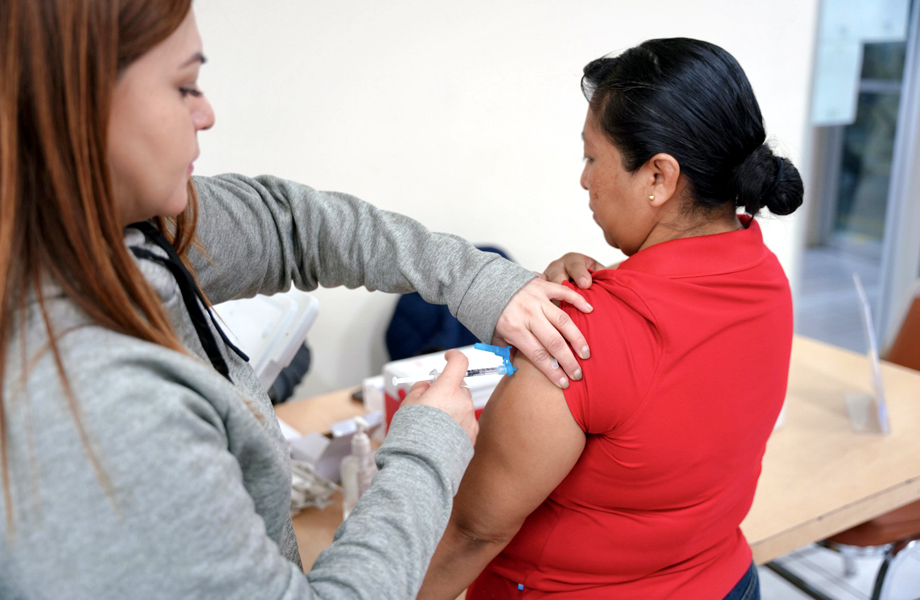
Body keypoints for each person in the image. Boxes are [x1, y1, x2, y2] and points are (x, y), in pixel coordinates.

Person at [0, 2, 594, 599]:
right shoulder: (102, 402)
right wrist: (426, 449)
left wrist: (480, 281)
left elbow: (292, 225)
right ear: (72, 111)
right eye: (184, 86)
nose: (206, 113)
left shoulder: (122, 229)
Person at [418, 38, 804, 599]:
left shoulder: (581, 338)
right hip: (725, 583)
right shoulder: (766, 276)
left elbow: (474, 530)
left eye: (591, 158)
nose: (584, 180)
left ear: (658, 178)